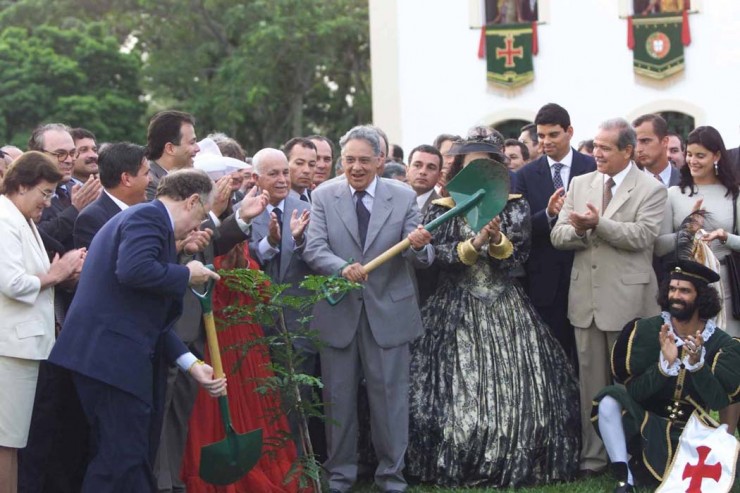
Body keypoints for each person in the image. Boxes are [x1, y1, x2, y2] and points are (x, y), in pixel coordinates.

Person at [407, 130, 580, 487]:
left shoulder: (513, 204)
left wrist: (499, 240)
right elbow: (436, 255)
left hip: (505, 299)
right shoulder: (442, 206)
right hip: (455, 302)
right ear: (460, 168)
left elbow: (519, 257)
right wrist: (474, 243)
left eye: (488, 163)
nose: (481, 170)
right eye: (473, 164)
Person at [48, 169, 227, 492]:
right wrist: (187, 273)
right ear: (193, 201)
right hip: (110, 360)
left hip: (109, 359)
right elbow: (133, 271)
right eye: (201, 216)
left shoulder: (145, 219)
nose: (197, 227)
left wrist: (192, 365)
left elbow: (148, 315)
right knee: (121, 460)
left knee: (124, 458)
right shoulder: (149, 217)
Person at [303, 125, 433, 493]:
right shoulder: (324, 195)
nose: (355, 167)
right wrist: (341, 267)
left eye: (363, 160)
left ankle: (391, 476)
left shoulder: (403, 196)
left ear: (380, 160)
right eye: (349, 160)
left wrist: (420, 246)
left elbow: (420, 257)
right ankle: (340, 476)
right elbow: (314, 248)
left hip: (388, 314)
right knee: (337, 399)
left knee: (390, 400)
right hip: (338, 311)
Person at [551, 118, 667, 476]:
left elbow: (642, 236)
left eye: (604, 148)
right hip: (585, 302)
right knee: (591, 384)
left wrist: (597, 224)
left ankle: (636, 455)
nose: (595, 153)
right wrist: (583, 232)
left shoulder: (650, 188)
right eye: (595, 146)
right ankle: (594, 457)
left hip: (629, 301)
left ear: (627, 151)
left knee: (631, 384)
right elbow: (559, 235)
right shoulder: (580, 182)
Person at [592, 260, 740, 492]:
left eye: (684, 291)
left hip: (691, 430)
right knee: (609, 399)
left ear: (701, 297)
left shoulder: (721, 343)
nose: (675, 296)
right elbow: (636, 392)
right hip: (647, 423)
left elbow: (719, 402)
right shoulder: (646, 331)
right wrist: (663, 366)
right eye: (672, 289)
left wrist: (696, 365)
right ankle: (625, 478)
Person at [0, 152, 85, 493]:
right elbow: (12, 283)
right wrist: (55, 274)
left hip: (22, 349)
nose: (48, 203)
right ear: (21, 185)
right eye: (45, 193)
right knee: (6, 445)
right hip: (10, 350)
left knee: (13, 444)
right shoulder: (5, 220)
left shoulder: (20, 219)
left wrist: (59, 273)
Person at [653, 125, 740, 434]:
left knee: (728, 359)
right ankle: (692, 435)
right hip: (687, 291)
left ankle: (727, 437)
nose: (692, 161)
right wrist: (686, 232)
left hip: (726, 286)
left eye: (701, 155)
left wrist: (725, 237)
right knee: (691, 356)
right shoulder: (674, 194)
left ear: (717, 155)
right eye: (689, 154)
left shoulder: (733, 195)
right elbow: (659, 244)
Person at [515, 103, 596, 362]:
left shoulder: (593, 167)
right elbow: (521, 227)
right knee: (554, 356)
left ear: (569, 131)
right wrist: (548, 214)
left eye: (553, 135)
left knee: (588, 357)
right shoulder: (526, 175)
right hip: (546, 280)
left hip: (587, 271)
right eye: (541, 136)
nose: (546, 142)